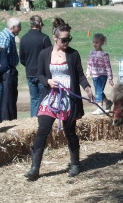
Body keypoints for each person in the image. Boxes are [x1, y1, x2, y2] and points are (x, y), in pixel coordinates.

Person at [24, 18, 94, 180]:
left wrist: (88, 88)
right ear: (55, 38)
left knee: (70, 131)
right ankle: (35, 168)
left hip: (69, 98)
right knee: (42, 130)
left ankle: (75, 164)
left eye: (69, 39)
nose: (67, 42)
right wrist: (48, 81)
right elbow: (39, 74)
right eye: (64, 39)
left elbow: (80, 75)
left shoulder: (73, 54)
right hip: (50, 98)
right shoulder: (44, 54)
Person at [19, 15, 52, 117]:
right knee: (43, 98)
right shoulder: (44, 38)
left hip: (30, 73)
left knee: (34, 99)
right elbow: (50, 56)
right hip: (42, 74)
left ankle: (33, 119)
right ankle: (41, 119)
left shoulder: (23, 39)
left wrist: (29, 65)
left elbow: (22, 59)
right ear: (40, 24)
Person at [0, 17, 22, 121]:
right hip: (7, 72)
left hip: (9, 70)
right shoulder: (6, 37)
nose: (20, 29)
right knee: (8, 99)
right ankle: (7, 121)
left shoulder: (8, 36)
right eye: (19, 27)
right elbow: (2, 55)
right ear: (13, 27)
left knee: (11, 98)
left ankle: (11, 119)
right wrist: (6, 68)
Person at [86, 33, 114, 115]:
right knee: (99, 91)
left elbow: (108, 66)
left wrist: (110, 78)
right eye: (94, 42)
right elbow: (89, 64)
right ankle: (108, 102)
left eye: (97, 42)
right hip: (94, 75)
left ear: (102, 43)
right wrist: (88, 72)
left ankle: (100, 107)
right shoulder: (91, 53)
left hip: (102, 75)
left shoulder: (104, 54)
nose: (95, 44)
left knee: (98, 91)